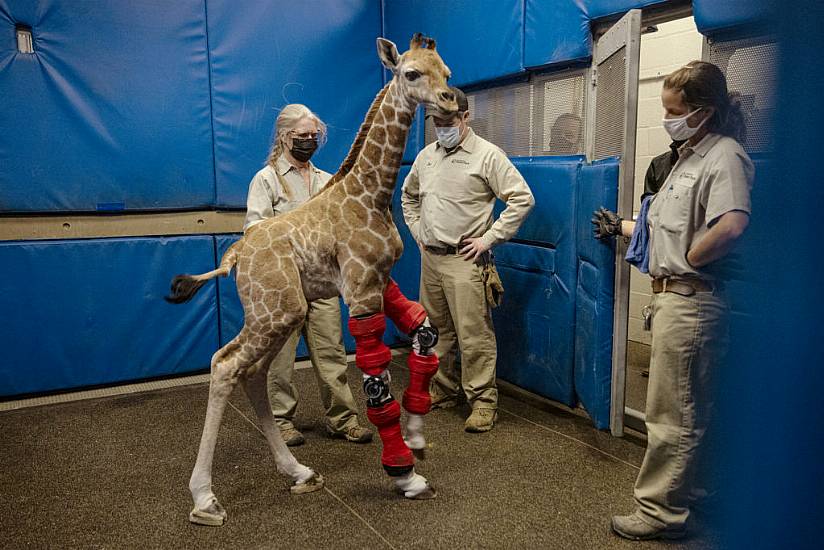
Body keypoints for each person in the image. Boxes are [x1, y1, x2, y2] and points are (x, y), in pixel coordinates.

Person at [593, 61, 753, 540]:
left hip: (691, 300)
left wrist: (690, 255)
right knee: (689, 408)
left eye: (673, 110)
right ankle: (693, 491)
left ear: (702, 112)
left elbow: (732, 223)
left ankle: (661, 512)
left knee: (671, 415)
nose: (668, 118)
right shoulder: (687, 158)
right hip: (672, 300)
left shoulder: (723, 155)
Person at [401, 86, 535, 433]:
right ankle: (444, 389)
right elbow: (409, 196)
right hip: (431, 258)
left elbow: (522, 198)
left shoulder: (487, 155)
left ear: (464, 117)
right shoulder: (426, 156)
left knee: (473, 335)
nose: (441, 126)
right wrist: (418, 232)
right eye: (436, 121)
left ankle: (483, 402)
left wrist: (490, 238)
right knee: (434, 332)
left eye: (448, 120)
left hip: (465, 260)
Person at [244, 104, 372, 447]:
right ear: (285, 137)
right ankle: (281, 423)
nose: (309, 141)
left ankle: (343, 419)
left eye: (314, 136)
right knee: (280, 360)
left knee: (332, 352)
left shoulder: (327, 180)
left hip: (322, 284)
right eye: (302, 136)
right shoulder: (266, 179)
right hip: (283, 288)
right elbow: (254, 231)